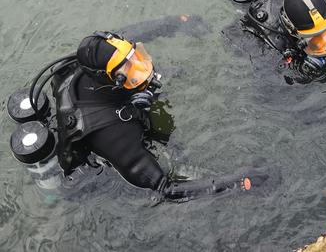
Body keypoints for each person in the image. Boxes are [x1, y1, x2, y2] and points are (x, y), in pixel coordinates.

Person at [9, 30, 273, 201]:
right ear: (107, 78)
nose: (139, 69)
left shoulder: (90, 63)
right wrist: (238, 181)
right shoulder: (112, 131)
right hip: (98, 171)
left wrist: (174, 23)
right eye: (128, 70)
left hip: (100, 104)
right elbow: (165, 188)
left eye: (134, 58)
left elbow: (135, 32)